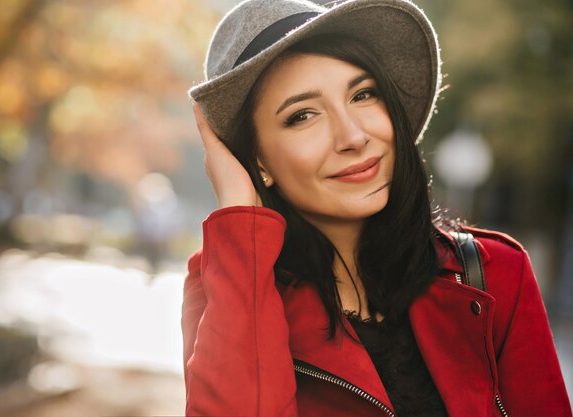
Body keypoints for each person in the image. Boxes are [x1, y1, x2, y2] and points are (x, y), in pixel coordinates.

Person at [182, 0, 572, 416]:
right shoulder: (226, 288)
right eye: (303, 116)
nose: (353, 135)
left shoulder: (494, 274)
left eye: (363, 94)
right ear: (257, 161)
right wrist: (240, 213)